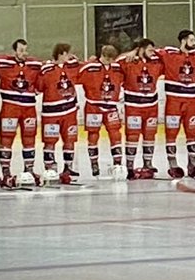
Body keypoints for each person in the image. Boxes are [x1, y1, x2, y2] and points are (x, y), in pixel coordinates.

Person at [153, 30, 195, 179]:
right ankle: (173, 163)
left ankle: (192, 163)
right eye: (191, 40)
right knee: (171, 134)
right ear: (183, 41)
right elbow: (149, 50)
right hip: (174, 102)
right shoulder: (169, 54)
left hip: (192, 103)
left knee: (192, 134)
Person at [0, 39, 42, 179]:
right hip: (10, 108)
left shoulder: (34, 64)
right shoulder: (4, 63)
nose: (24, 53)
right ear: (14, 50)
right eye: (21, 50)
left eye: (25, 50)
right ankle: (6, 172)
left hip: (29, 108)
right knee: (6, 139)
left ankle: (29, 169)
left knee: (29, 139)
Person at [121, 39, 164, 178]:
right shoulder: (129, 61)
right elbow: (114, 62)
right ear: (141, 49)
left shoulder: (156, 62)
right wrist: (133, 51)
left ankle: (148, 163)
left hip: (151, 106)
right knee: (132, 136)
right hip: (134, 106)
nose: (153, 53)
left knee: (150, 136)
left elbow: (168, 56)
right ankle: (129, 166)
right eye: (149, 50)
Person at [79, 45, 125, 177]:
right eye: (108, 59)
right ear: (103, 56)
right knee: (93, 135)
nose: (111, 62)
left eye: (112, 59)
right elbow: (76, 75)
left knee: (115, 134)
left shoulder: (117, 68)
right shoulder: (89, 68)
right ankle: (94, 163)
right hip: (93, 106)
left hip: (111, 106)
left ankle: (117, 163)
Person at [38, 43, 81, 178]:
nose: (69, 56)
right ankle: (50, 168)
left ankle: (68, 167)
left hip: (69, 111)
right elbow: (39, 87)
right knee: (50, 141)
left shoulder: (72, 67)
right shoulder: (46, 69)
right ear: (61, 54)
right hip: (51, 112)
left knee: (70, 140)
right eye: (67, 53)